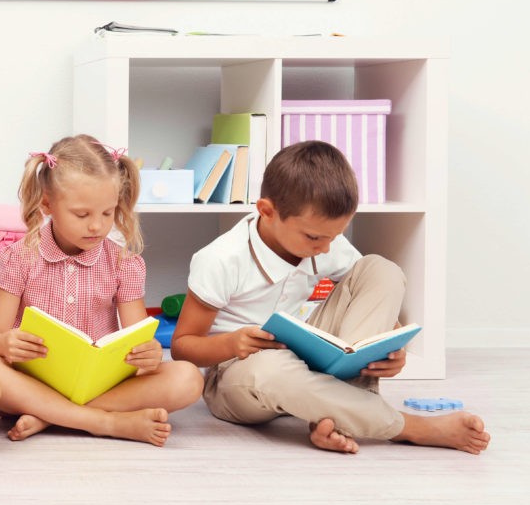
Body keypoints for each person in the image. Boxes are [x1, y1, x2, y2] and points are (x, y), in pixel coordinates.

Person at [171, 140, 489, 455]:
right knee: (272, 368)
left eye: (334, 236)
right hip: (237, 376)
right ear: (267, 211)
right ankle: (409, 428)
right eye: (314, 237)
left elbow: (367, 295)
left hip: (303, 358)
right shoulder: (221, 259)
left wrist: (389, 345)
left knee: (380, 269)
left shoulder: (324, 242)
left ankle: (331, 420)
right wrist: (231, 343)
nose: (325, 248)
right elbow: (183, 347)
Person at [0, 136, 203, 446]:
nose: (97, 227)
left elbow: (139, 339)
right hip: (30, 383)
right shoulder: (18, 257)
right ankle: (104, 421)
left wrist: (150, 353)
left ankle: (51, 416)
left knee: (188, 378)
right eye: (82, 214)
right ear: (47, 203)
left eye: (107, 213)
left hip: (100, 385)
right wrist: (6, 343)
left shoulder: (123, 263)